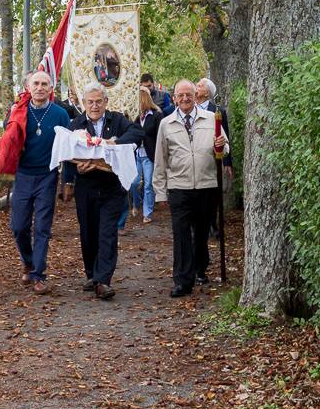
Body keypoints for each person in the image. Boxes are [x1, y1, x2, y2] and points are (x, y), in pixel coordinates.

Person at [152, 79, 228, 297]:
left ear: (196, 96)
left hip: (206, 184)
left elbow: (225, 147)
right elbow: (161, 159)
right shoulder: (167, 123)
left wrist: (221, 147)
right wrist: (160, 191)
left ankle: (200, 267)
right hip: (179, 186)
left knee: (202, 231)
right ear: (174, 97)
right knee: (181, 233)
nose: (185, 99)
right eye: (180, 95)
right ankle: (183, 281)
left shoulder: (212, 119)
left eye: (189, 94)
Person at [68, 83, 142, 300]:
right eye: (90, 102)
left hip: (111, 187)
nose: (94, 105)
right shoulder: (76, 124)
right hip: (86, 188)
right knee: (89, 233)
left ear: (106, 102)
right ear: (84, 103)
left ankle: (103, 281)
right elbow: (67, 152)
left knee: (107, 233)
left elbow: (137, 132)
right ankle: (92, 274)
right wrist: (75, 169)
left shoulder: (117, 120)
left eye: (99, 101)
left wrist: (115, 141)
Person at [10, 70, 71, 294]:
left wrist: (68, 181)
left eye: (45, 83)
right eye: (35, 83)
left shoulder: (60, 114)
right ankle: (28, 261)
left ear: (51, 88)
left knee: (43, 227)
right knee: (18, 227)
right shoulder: (18, 112)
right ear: (28, 86)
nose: (40, 87)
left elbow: (68, 148)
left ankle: (38, 275)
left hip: (48, 175)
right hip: (23, 174)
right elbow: (9, 142)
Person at [131, 86, 161, 224]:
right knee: (134, 182)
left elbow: (159, 135)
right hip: (137, 153)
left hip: (149, 154)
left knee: (148, 184)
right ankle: (136, 204)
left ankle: (147, 212)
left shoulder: (155, 115)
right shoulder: (136, 116)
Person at [195, 77, 233, 179]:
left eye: (200, 86)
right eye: (196, 85)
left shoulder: (218, 111)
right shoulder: (189, 109)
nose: (196, 87)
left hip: (211, 158)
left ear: (207, 93)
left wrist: (227, 162)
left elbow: (224, 137)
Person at [56, 90, 82, 201]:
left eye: (74, 91)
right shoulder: (63, 103)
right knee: (66, 161)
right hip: (67, 137)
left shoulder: (82, 105)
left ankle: (76, 187)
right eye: (69, 91)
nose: (71, 93)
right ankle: (65, 189)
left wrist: (76, 105)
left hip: (79, 137)